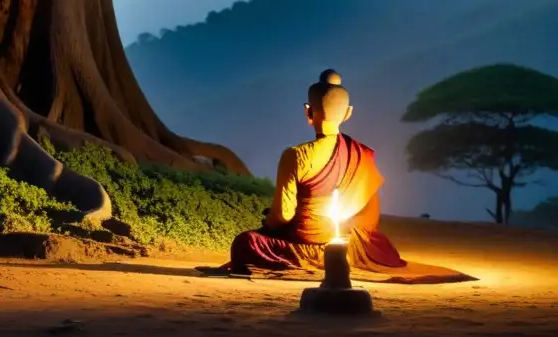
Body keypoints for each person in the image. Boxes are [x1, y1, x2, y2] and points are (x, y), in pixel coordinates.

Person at [202, 69, 472, 283]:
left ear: (308, 111)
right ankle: (338, 258)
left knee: (246, 243)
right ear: (348, 113)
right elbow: (370, 220)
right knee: (379, 244)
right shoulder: (361, 154)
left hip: (305, 243)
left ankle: (310, 259)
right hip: (350, 244)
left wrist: (268, 225)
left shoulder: (296, 155)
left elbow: (283, 215)